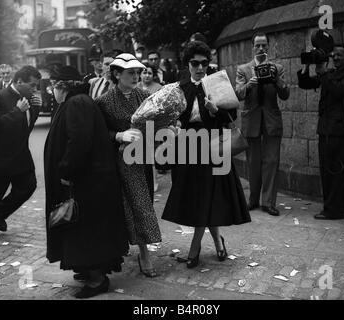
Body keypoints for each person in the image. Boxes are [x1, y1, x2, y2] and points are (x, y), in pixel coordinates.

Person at [162, 41, 251, 268]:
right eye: (195, 63)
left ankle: (194, 248)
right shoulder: (179, 88)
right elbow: (172, 117)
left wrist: (215, 111)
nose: (200, 67)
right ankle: (218, 242)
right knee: (201, 198)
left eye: (204, 63)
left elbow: (231, 115)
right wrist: (173, 126)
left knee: (206, 196)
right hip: (187, 147)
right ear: (188, 64)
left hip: (212, 146)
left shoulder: (218, 83)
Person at [44, 66, 129, 299]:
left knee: (86, 230)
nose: (51, 90)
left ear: (62, 85)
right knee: (82, 229)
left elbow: (79, 142)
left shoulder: (77, 103)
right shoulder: (77, 102)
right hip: (88, 181)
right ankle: (86, 268)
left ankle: (97, 279)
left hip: (86, 183)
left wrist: (66, 170)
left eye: (53, 84)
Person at [95, 53, 162, 277]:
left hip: (140, 161)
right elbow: (97, 132)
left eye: (137, 72)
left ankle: (144, 252)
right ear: (116, 74)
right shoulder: (104, 102)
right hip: (115, 164)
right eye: (130, 73)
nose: (136, 77)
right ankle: (117, 250)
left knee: (142, 204)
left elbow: (156, 124)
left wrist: (167, 128)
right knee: (118, 208)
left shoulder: (144, 96)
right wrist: (118, 135)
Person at [297, 44, 344, 220]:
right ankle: (339, 206)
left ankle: (333, 211)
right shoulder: (330, 73)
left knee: (334, 170)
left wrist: (323, 72)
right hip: (325, 129)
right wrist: (306, 67)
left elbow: (340, 92)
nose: (336, 58)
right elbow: (306, 84)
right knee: (327, 169)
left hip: (338, 130)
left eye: (340, 55)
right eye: (334, 55)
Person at [235, 32, 290, 217]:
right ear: (252, 47)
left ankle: (268, 203)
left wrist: (276, 79)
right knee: (253, 162)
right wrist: (249, 84)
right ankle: (253, 200)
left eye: (264, 45)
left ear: (268, 47)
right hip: (251, 120)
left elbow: (285, 94)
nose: (260, 49)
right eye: (257, 45)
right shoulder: (243, 69)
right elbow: (238, 94)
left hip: (271, 120)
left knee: (272, 161)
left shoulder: (277, 68)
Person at [0, 66, 42, 237]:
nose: (35, 90)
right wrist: (17, 111)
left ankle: (1, 212)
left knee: (28, 185)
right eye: (32, 85)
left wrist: (35, 109)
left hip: (20, 155)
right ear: (19, 81)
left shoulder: (28, 97)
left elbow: (27, 125)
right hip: (0, 157)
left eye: (36, 86)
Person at [138, 62, 163, 192]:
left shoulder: (159, 88)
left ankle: (154, 182)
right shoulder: (135, 87)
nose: (147, 75)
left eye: (149, 73)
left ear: (153, 75)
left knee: (152, 155)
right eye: (144, 72)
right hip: (138, 126)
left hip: (153, 125)